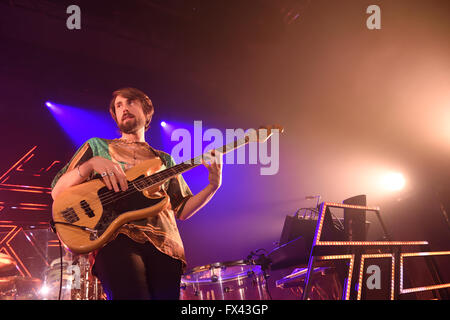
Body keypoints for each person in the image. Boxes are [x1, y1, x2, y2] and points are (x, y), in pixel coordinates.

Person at [50, 87, 222, 300]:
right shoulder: (97, 146)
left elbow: (183, 209)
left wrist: (212, 187)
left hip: (166, 245)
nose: (124, 108)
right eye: (118, 106)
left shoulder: (164, 161)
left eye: (130, 102)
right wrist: (90, 165)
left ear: (147, 111)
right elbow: (58, 191)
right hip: (116, 237)